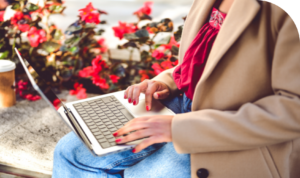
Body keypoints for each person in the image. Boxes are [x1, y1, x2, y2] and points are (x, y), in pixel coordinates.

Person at [52, 0, 300, 177]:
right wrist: (167, 82)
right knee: (69, 152)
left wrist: (178, 129)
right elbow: (200, 62)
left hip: (231, 131)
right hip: (180, 106)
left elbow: (294, 108)